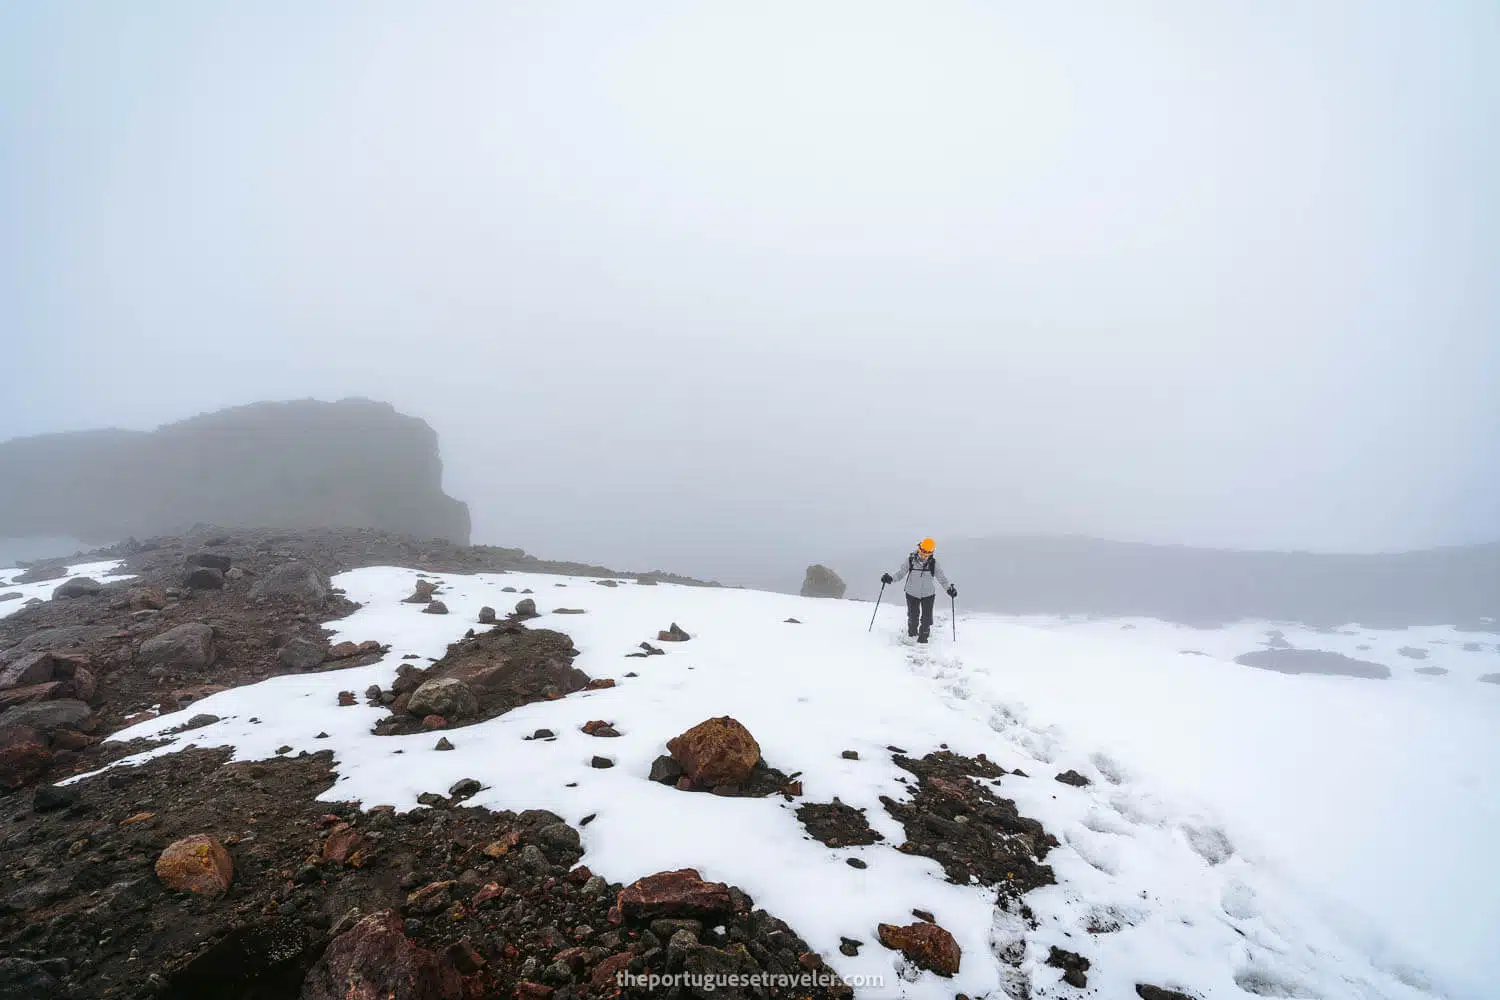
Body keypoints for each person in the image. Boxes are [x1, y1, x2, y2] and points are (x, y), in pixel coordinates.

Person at [881, 537, 957, 643]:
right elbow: (901, 573)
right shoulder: (910, 560)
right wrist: (890, 579)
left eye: (927, 554)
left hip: (928, 594)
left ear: (931, 552)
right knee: (913, 617)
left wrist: (949, 589)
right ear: (919, 549)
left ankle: (923, 639)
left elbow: (942, 578)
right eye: (922, 552)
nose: (924, 556)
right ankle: (912, 635)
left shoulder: (933, 564)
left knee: (926, 619)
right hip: (912, 593)